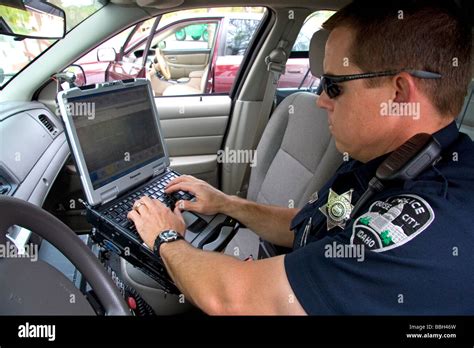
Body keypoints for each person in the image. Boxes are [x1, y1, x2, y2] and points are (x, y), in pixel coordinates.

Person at [127, 0, 474, 314]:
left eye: (334, 85)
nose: (321, 99)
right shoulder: (381, 162)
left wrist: (165, 238)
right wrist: (227, 204)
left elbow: (234, 299)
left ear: (399, 94)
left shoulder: (428, 223)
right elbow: (310, 224)